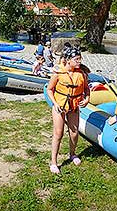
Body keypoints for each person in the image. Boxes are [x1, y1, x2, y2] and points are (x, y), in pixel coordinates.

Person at [46, 46, 90, 174]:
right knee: (58, 133)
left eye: (80, 59)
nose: (79, 62)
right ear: (68, 60)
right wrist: (55, 103)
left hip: (74, 106)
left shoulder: (81, 74)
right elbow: (49, 89)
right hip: (60, 106)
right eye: (76, 59)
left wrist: (87, 99)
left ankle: (72, 154)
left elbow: (86, 89)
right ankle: (54, 162)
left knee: (74, 132)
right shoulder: (58, 74)